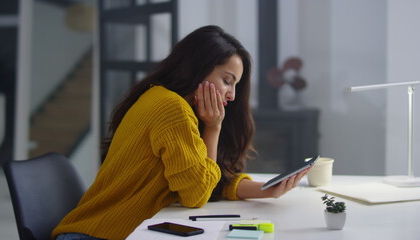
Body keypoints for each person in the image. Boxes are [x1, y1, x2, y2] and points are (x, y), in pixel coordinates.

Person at [52, 25, 308, 240]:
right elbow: (197, 194)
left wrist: (264, 190)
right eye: (227, 80)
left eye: (235, 85)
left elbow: (202, 177)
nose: (231, 94)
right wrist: (214, 127)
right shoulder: (171, 108)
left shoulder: (163, 98)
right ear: (199, 67)